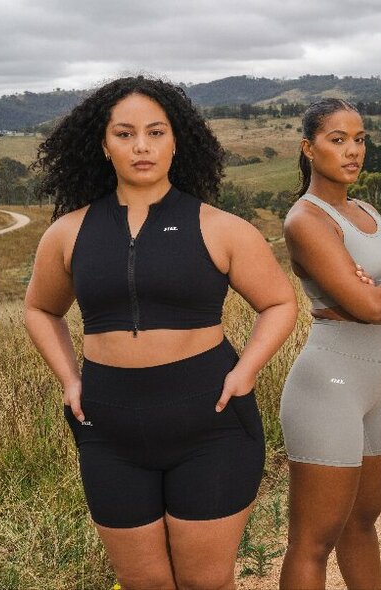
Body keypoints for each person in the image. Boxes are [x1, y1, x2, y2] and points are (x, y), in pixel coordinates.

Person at [24, 75, 297, 589]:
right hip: (109, 431)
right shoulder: (68, 232)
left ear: (178, 140)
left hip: (211, 426)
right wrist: (69, 378)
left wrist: (245, 372)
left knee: (205, 583)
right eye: (124, 134)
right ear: (103, 145)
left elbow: (280, 302)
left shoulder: (220, 227)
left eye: (156, 132)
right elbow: (41, 309)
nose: (141, 146)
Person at [278, 98, 381, 589]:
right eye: (337, 140)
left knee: (362, 526)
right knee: (313, 541)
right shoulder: (307, 220)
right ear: (308, 148)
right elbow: (379, 309)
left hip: (375, 388)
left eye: (359, 139)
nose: (352, 151)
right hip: (328, 386)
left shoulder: (367, 212)